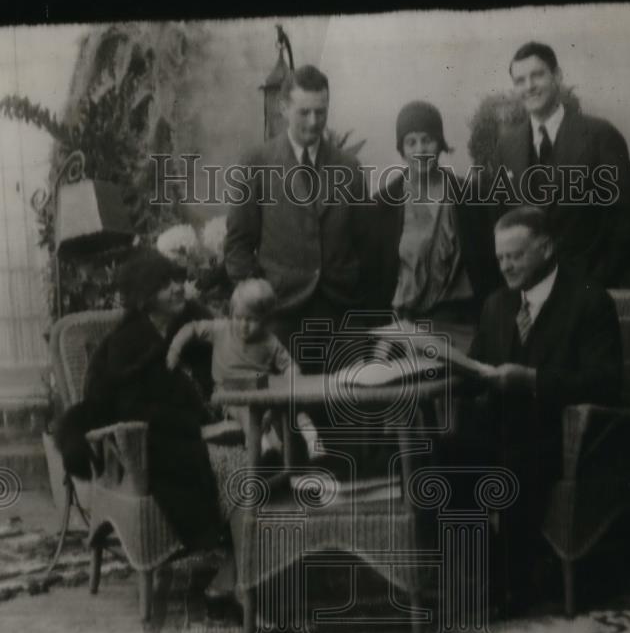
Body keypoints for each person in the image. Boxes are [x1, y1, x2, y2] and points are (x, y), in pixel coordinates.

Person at [463, 206, 623, 612]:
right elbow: (474, 367)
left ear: (546, 248)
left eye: (514, 256)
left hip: (559, 434)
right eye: (500, 258)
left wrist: (532, 380)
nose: (505, 267)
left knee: (514, 460)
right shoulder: (497, 306)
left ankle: (510, 587)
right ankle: (467, 576)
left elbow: (606, 381)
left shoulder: (588, 301)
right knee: (434, 454)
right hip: (498, 426)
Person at [54, 250, 228, 553]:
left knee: (259, 451)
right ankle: (220, 550)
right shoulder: (127, 343)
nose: (177, 288)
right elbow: (132, 409)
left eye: (178, 279)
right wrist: (195, 426)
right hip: (150, 437)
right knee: (217, 462)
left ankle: (245, 551)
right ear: (143, 297)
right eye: (164, 284)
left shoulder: (196, 324)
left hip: (210, 422)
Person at [224, 65, 369, 354]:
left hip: (340, 315)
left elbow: (365, 244)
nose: (314, 122)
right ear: (283, 108)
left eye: (321, 111)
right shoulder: (256, 163)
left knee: (342, 398)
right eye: (304, 112)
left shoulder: (349, 168)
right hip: (279, 317)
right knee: (284, 398)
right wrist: (258, 299)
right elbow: (238, 246)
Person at [495, 41, 630, 286]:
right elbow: (502, 220)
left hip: (587, 288)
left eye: (537, 75)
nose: (529, 87)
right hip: (530, 290)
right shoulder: (506, 146)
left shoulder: (600, 136)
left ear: (557, 76)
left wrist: (593, 286)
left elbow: (626, 222)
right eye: (520, 80)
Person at [365, 100, 499, 349]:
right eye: (411, 142)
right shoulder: (383, 204)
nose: (420, 150)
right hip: (404, 329)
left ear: (439, 143)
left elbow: (489, 268)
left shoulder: (470, 196)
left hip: (462, 325)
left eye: (427, 139)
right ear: (401, 149)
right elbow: (375, 280)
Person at [166, 277, 321, 459]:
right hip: (229, 394)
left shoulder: (269, 342)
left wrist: (293, 377)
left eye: (252, 320)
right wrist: (175, 350)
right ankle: (265, 450)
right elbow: (192, 328)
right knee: (249, 412)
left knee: (291, 407)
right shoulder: (222, 330)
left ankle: (312, 441)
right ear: (231, 313)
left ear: (265, 319)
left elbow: (288, 365)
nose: (243, 325)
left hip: (262, 390)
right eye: (238, 317)